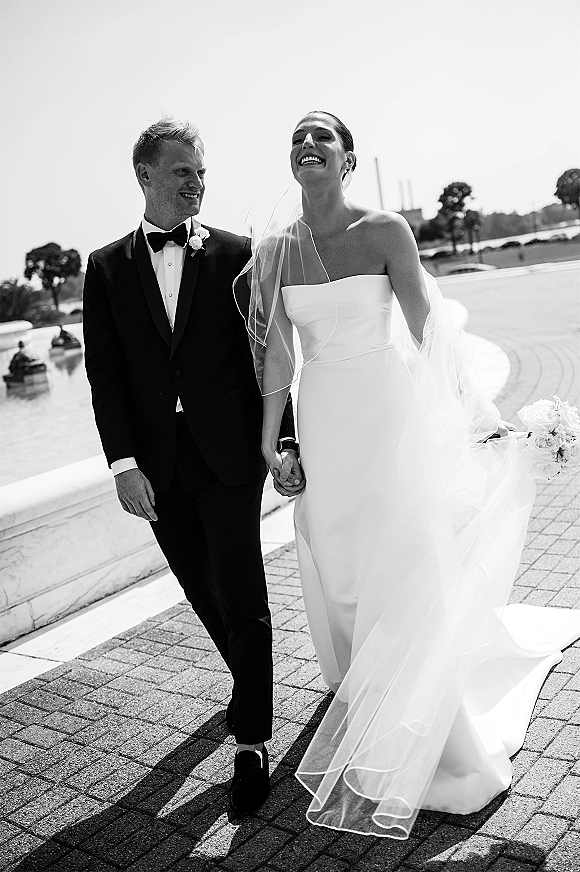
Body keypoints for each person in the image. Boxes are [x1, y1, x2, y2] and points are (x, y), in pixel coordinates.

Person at [240, 110, 580, 838]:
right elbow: (275, 360)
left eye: (321, 137)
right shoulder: (273, 252)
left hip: (389, 417)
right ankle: (368, 692)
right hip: (326, 421)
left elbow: (428, 330)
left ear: (347, 159)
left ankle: (434, 733)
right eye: (297, 138)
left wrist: (477, 414)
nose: (307, 145)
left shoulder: (386, 231)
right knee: (343, 561)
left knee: (401, 556)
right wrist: (272, 447)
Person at [83, 117, 304, 817]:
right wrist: (122, 464)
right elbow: (106, 375)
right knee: (201, 590)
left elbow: (269, 356)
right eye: (183, 172)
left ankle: (251, 740)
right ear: (145, 176)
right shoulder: (106, 267)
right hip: (158, 465)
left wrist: (286, 441)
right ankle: (249, 689)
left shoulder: (239, 253)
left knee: (244, 597)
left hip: (232, 454)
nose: (197, 184)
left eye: (202, 172)